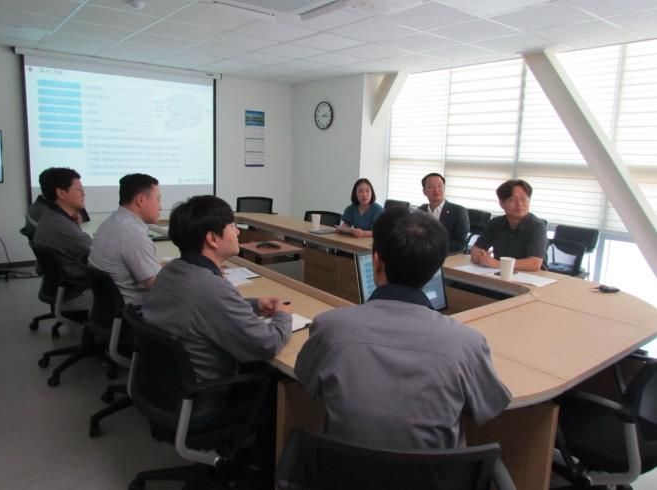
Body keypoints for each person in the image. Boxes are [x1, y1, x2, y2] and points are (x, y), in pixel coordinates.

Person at [295, 208, 511, 450]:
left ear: (376, 261)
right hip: (436, 471)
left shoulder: (329, 327)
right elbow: (489, 407)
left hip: (340, 469)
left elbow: (304, 380)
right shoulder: (468, 343)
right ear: (436, 269)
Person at [142, 195, 293, 384]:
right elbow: (267, 344)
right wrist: (283, 316)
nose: (238, 232)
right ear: (213, 238)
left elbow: (210, 308)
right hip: (208, 390)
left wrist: (255, 305)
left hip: (165, 383)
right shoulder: (211, 288)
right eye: (232, 226)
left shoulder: (170, 270)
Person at [88, 174, 162, 305]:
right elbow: (158, 286)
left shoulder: (111, 222)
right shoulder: (133, 235)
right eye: (158, 199)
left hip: (107, 309)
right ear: (141, 200)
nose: (160, 207)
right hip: (135, 310)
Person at [33, 167, 92, 310]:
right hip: (76, 295)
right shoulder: (62, 227)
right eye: (79, 189)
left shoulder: (51, 217)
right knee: (131, 291)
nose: (83, 194)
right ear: (61, 193)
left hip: (61, 291)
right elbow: (100, 254)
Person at [471, 179, 547, 272]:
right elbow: (476, 249)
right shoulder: (495, 223)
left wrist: (497, 264)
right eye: (512, 200)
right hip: (500, 273)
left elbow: (534, 263)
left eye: (524, 199)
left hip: (531, 276)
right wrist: (480, 257)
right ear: (501, 203)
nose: (519, 204)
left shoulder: (538, 226)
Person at [417, 172, 470, 253]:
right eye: (431, 187)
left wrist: (432, 249)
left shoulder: (459, 211)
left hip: (447, 255)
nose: (436, 190)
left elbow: (460, 243)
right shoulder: (420, 211)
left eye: (439, 186)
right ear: (424, 191)